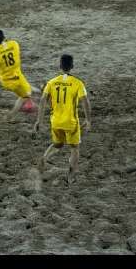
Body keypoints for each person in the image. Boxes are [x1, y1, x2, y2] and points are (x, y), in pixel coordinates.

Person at [34, 54, 91, 183]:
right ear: (72, 66)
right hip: (71, 122)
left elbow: (43, 101)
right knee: (74, 148)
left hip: (56, 121)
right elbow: (85, 102)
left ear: (59, 66)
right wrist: (88, 120)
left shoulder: (51, 82)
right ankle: (71, 176)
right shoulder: (78, 83)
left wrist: (39, 120)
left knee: (58, 144)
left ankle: (44, 158)